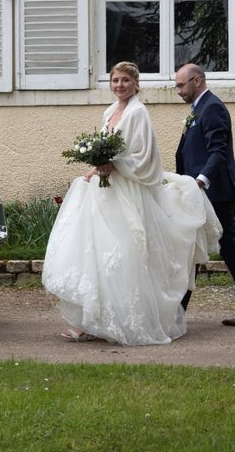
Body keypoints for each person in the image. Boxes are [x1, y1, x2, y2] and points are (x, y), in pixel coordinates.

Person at [42, 61, 222, 345]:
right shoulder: (109, 111)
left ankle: (125, 321)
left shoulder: (139, 113)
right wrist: (93, 168)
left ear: (135, 84)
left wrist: (115, 165)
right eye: (115, 80)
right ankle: (88, 321)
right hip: (104, 193)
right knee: (96, 256)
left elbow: (145, 158)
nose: (119, 85)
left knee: (123, 256)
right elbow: (105, 148)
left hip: (127, 193)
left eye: (125, 80)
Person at [175, 64, 235, 326]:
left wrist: (200, 181)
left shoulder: (211, 107)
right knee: (193, 248)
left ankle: (177, 311)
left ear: (196, 80)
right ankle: (178, 310)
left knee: (230, 247)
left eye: (181, 85)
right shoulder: (198, 107)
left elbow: (219, 151)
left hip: (215, 192)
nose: (178, 91)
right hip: (198, 191)